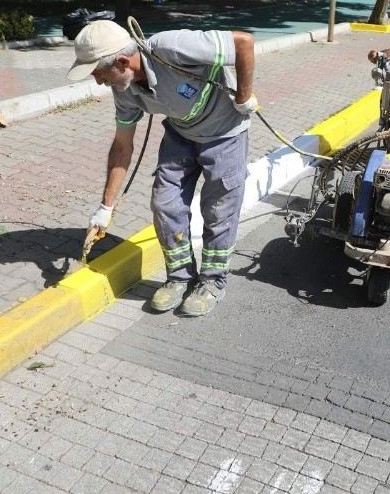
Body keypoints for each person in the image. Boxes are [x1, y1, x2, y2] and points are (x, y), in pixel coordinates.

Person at [68, 20, 258, 317]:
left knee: (219, 209)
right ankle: (180, 276)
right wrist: (106, 206)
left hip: (225, 133)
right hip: (181, 133)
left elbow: (243, 42)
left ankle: (212, 281)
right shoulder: (125, 90)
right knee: (164, 203)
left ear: (121, 61)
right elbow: (122, 145)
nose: (98, 81)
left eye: (99, 73)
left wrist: (244, 95)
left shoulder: (172, 47)